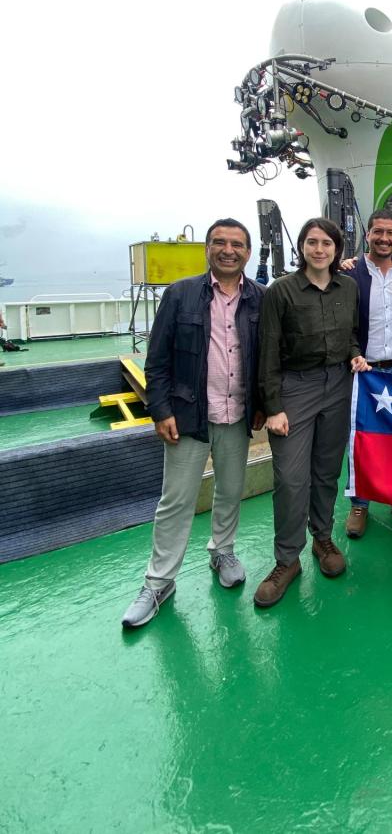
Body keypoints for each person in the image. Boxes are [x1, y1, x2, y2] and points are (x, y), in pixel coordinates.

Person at [122, 218, 266, 629]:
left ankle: (222, 550)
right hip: (188, 416)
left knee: (231, 490)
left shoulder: (260, 298)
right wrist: (161, 410)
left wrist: (261, 403)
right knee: (176, 501)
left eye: (237, 244)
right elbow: (158, 359)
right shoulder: (180, 295)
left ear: (248, 252)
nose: (228, 250)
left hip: (237, 415)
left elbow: (265, 357)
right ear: (207, 248)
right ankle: (159, 581)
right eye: (219, 242)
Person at [253, 217, 369, 609]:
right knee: (290, 478)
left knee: (325, 471)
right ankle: (286, 560)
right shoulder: (281, 291)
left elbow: (352, 334)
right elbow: (267, 350)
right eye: (312, 242)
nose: (319, 249)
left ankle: (322, 538)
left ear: (337, 250)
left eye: (327, 244)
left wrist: (354, 354)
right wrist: (272, 406)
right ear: (302, 246)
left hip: (337, 385)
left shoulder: (348, 288)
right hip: (294, 388)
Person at [344, 208, 392, 539]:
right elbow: (343, 323)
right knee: (360, 439)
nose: (384, 238)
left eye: (390, 233)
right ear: (368, 234)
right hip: (363, 371)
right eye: (378, 232)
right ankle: (359, 503)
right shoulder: (350, 274)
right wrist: (354, 354)